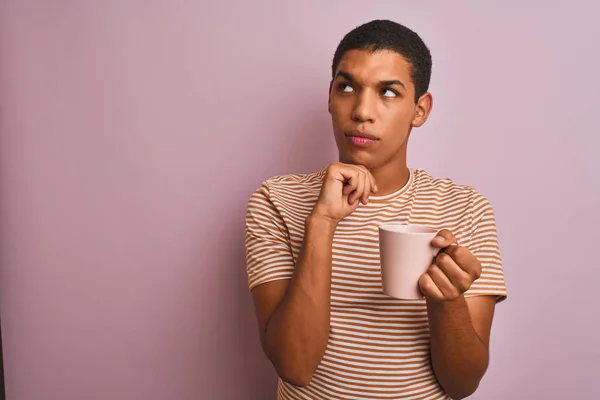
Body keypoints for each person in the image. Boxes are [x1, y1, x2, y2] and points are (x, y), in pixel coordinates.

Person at [244, 19, 507, 400]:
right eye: (347, 87)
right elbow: (295, 365)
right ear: (330, 97)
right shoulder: (276, 201)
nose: (362, 111)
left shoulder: (466, 209)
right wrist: (322, 221)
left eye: (388, 92)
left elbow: (462, 384)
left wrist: (446, 301)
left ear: (420, 109)